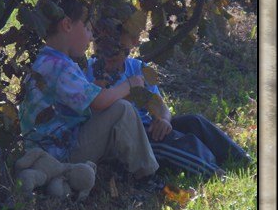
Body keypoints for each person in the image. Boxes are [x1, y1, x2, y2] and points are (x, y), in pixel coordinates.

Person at [18, 0, 160, 188]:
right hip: (62, 153)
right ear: (67, 25)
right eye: (87, 28)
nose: (91, 37)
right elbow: (100, 102)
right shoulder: (61, 67)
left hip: (44, 151)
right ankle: (147, 174)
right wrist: (129, 85)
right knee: (122, 110)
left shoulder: (45, 61)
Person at [86, 29, 252, 179]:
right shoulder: (89, 71)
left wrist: (164, 120)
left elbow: (159, 104)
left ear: (131, 44)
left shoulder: (137, 68)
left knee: (194, 121)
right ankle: (214, 174)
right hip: (128, 139)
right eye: (102, 47)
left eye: (117, 49)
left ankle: (243, 161)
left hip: (147, 127)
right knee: (169, 143)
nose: (109, 56)